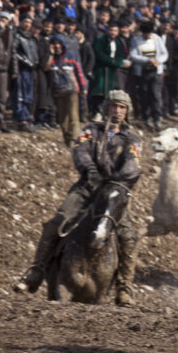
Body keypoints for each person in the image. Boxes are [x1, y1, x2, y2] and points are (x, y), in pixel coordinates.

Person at [14, 89, 143, 305]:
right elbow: (80, 150)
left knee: (128, 236)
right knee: (57, 222)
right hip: (86, 188)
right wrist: (91, 171)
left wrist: (114, 179)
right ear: (106, 108)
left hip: (113, 191)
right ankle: (36, 271)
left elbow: (133, 165)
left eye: (122, 107)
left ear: (127, 111)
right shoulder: (90, 130)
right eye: (114, 106)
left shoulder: (132, 138)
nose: (117, 111)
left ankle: (124, 287)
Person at [45, 33, 88, 145]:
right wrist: (50, 54)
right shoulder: (51, 57)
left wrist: (83, 87)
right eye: (54, 44)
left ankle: (74, 138)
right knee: (62, 117)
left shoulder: (71, 55)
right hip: (58, 91)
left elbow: (79, 71)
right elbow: (46, 67)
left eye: (58, 43)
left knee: (73, 115)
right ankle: (67, 138)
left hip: (71, 90)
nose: (57, 46)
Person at [128, 18, 168, 131]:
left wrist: (158, 61)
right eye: (145, 33)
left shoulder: (157, 39)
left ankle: (157, 117)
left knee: (155, 95)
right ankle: (146, 117)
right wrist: (146, 60)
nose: (147, 36)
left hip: (155, 72)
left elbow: (164, 54)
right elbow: (133, 55)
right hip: (143, 72)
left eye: (149, 33)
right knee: (144, 95)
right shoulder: (136, 40)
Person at [0, 11, 18, 132]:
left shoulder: (10, 33)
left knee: (2, 98)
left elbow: (13, 52)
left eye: (5, 19)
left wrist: (14, 69)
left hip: (5, 69)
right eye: (1, 18)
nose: (3, 21)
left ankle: (1, 122)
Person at [14, 13, 39, 132]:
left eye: (29, 23)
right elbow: (14, 52)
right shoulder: (17, 36)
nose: (27, 25)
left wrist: (35, 61)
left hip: (31, 70)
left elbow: (34, 53)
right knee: (21, 95)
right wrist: (26, 61)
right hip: (22, 69)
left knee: (29, 95)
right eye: (25, 22)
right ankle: (22, 120)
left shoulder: (31, 38)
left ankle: (27, 118)